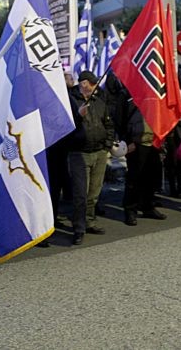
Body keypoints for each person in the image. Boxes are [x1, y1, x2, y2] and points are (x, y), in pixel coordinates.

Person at [67, 71, 114, 245]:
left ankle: (89, 221)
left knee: (94, 192)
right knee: (81, 193)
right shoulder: (71, 102)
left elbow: (109, 124)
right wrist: (78, 115)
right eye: (92, 84)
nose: (95, 87)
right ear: (84, 84)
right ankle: (78, 227)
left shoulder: (99, 102)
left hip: (99, 152)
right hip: (79, 153)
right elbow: (65, 126)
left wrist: (107, 146)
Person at [117, 94, 167, 226]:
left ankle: (148, 207)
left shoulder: (154, 93)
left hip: (154, 143)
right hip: (136, 144)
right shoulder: (126, 96)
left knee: (151, 178)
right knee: (134, 179)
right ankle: (130, 210)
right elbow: (119, 121)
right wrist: (127, 141)